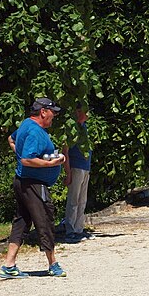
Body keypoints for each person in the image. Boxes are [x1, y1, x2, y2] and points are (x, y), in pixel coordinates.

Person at [0, 97, 67, 279]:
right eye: (53, 112)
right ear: (43, 111)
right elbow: (26, 159)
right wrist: (51, 163)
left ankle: (9, 265)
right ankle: (53, 264)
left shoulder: (25, 125)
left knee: (21, 222)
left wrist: (24, 155)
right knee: (45, 219)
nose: (54, 116)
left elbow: (11, 140)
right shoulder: (36, 131)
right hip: (34, 185)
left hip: (22, 182)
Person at [62, 103, 93, 243]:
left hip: (85, 167)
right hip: (76, 167)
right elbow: (65, 151)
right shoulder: (72, 128)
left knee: (82, 200)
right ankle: (70, 229)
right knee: (73, 200)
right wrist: (68, 173)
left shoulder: (83, 127)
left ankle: (79, 228)